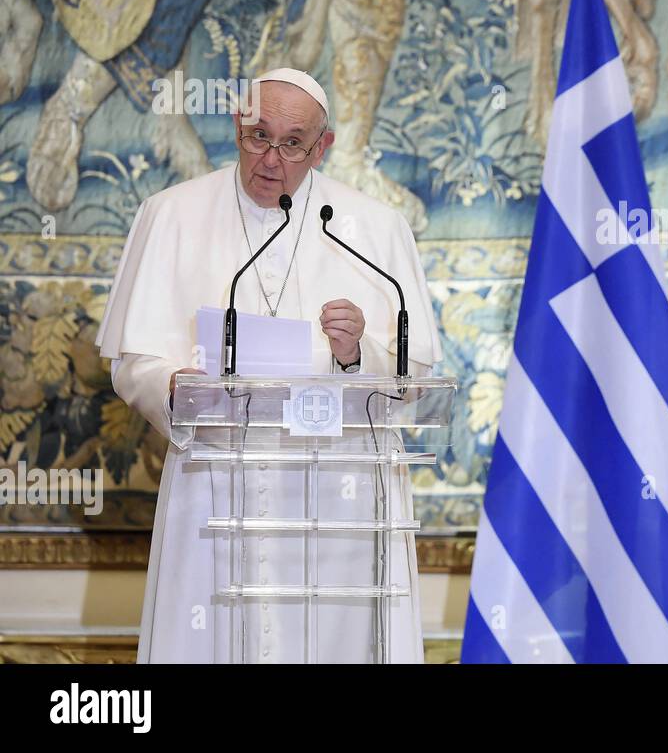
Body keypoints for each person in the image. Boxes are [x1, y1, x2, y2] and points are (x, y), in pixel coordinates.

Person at [95, 68, 442, 663]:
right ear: (236, 126)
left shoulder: (374, 228)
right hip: (215, 487)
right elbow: (132, 362)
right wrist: (171, 385)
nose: (271, 159)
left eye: (292, 143)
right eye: (258, 136)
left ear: (322, 146)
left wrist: (357, 355)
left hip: (338, 501)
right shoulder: (170, 214)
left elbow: (414, 379)